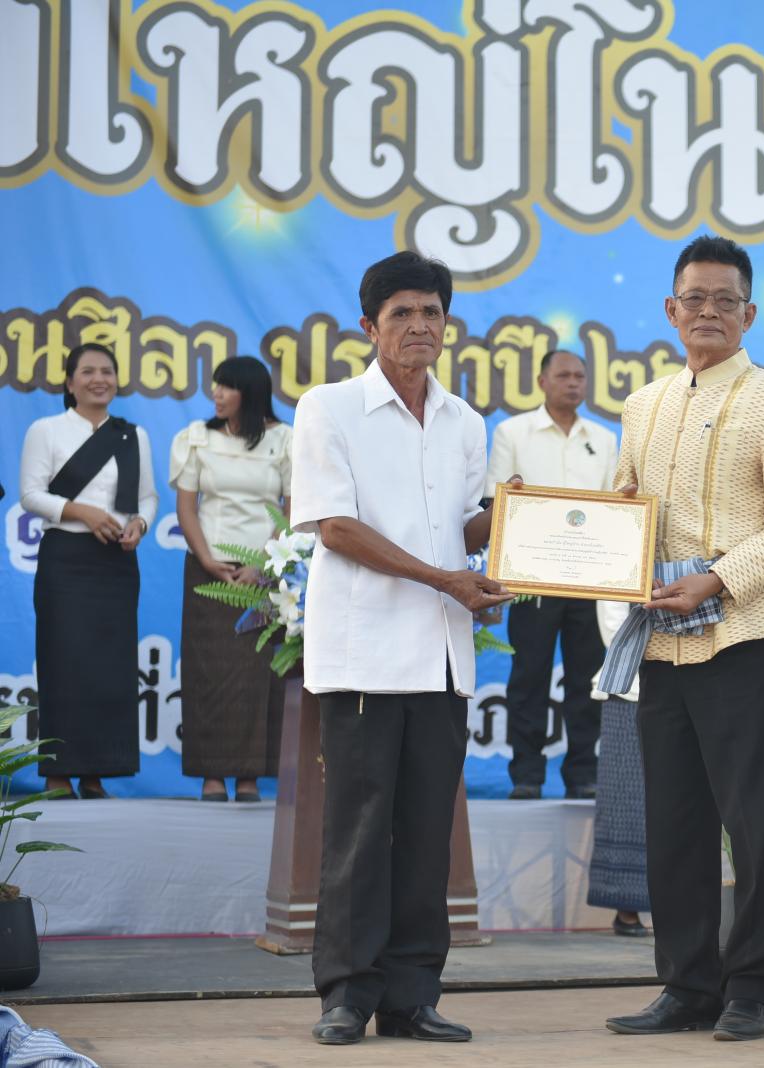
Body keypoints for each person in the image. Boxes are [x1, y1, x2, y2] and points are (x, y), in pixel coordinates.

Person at [290, 251, 513, 1046]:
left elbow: (464, 527)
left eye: (432, 313)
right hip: (363, 655)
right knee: (360, 831)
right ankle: (347, 995)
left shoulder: (464, 422)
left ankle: (413, 996)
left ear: (448, 323)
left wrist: (532, 518)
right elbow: (336, 528)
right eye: (402, 314)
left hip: (442, 657)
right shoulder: (329, 408)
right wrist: (443, 577)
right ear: (369, 325)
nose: (420, 326)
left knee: (424, 835)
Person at [602, 235, 764, 1043]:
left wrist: (719, 579)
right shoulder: (643, 405)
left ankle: (755, 987)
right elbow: (622, 507)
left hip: (742, 637)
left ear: (749, 314)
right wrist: (559, 523)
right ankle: (687, 985)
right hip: (662, 642)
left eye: (725, 301)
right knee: (675, 823)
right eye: (694, 299)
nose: (708, 313)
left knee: (756, 822)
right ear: (671, 309)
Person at [20, 342, 157, 800]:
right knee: (63, 663)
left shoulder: (132, 435)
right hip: (66, 559)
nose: (99, 379)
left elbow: (147, 498)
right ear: (70, 381)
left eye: (107, 371)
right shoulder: (46, 430)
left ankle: (96, 772)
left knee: (109, 667)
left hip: (116, 561)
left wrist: (139, 524)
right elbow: (31, 495)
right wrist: (83, 512)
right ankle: (58, 774)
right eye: (88, 371)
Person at [485, 350, 618, 799]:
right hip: (531, 579)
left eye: (580, 376)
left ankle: (583, 774)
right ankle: (526, 775)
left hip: (590, 579)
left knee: (588, 678)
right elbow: (494, 502)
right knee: (529, 675)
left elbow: (615, 507)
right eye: (563, 375)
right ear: (542, 381)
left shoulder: (603, 438)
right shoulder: (512, 432)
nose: (573, 382)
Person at [170, 356, 291, 803]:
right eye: (216, 386)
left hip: (265, 572)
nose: (216, 395)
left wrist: (263, 564)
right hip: (208, 570)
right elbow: (187, 507)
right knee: (208, 672)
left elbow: (292, 509)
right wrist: (207, 559)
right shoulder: (197, 437)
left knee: (257, 674)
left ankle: (250, 777)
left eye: (226, 387)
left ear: (251, 393)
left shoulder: (284, 440)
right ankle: (212, 775)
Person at [585, 599, 649, 937]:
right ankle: (626, 906)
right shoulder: (626, 563)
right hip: (631, 685)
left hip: (692, 678)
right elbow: (614, 626)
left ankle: (688, 910)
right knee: (626, 800)